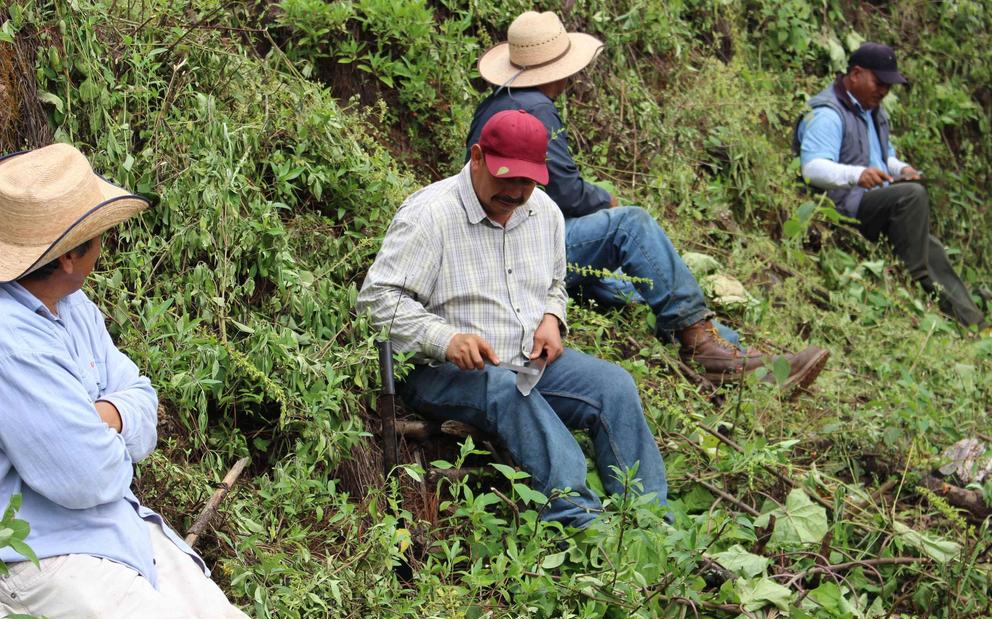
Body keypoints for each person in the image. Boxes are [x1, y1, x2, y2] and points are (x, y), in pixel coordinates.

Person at [0, 144, 279, 619]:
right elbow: (91, 477)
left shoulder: (73, 306)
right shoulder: (11, 338)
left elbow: (144, 402)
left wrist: (98, 417)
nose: (105, 242)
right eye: (98, 233)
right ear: (69, 254)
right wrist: (111, 422)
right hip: (37, 559)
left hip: (113, 526)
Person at [466, 11, 830, 390]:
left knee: (633, 286)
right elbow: (566, 193)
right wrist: (604, 198)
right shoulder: (535, 108)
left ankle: (737, 357)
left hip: (510, 243)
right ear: (558, 69)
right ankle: (707, 348)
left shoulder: (495, 103)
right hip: (522, 244)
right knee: (631, 225)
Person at [359, 110, 669, 527]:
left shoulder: (545, 213)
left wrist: (551, 317)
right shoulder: (430, 215)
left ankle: (651, 521)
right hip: (440, 371)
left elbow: (555, 283)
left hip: (526, 359)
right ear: (477, 156)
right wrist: (446, 338)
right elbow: (376, 300)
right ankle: (582, 522)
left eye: (528, 180)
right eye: (506, 177)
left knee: (613, 386)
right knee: (506, 390)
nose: (517, 191)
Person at [795, 42, 986, 329]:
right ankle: (910, 274)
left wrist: (902, 169)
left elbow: (885, 156)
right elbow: (812, 168)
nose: (884, 90)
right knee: (912, 196)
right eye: (879, 82)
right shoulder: (828, 114)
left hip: (873, 200)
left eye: (889, 85)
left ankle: (975, 324)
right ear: (856, 73)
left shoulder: (873, 111)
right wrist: (856, 175)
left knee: (931, 247)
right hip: (843, 204)